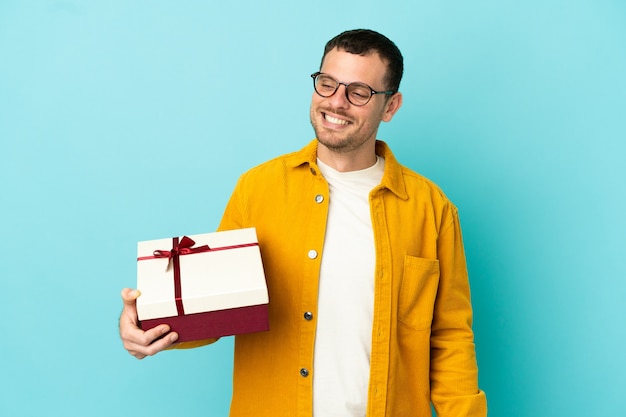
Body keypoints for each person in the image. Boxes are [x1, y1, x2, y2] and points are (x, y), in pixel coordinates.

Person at [120, 29, 487, 417]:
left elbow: (449, 339)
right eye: (327, 84)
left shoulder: (431, 209)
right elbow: (217, 310)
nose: (336, 102)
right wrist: (146, 324)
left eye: (358, 92)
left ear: (390, 106)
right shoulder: (257, 189)